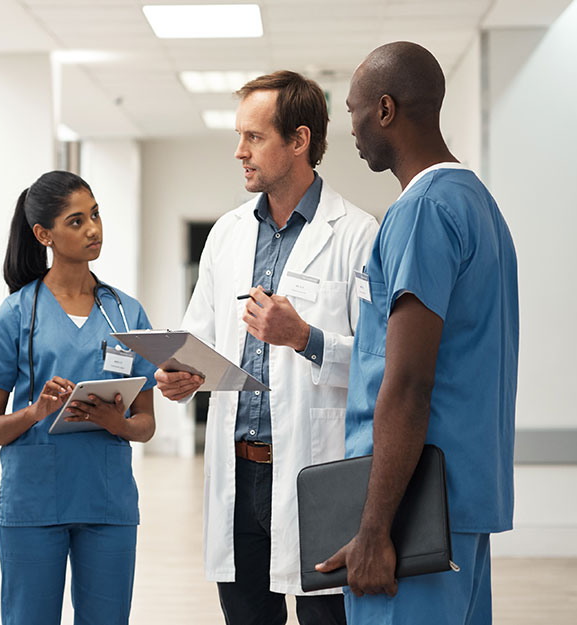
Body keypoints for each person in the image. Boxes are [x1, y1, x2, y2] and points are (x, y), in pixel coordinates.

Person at [154, 71, 379, 625]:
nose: (239, 152)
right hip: (238, 472)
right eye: (240, 136)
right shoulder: (227, 235)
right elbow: (199, 337)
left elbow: (381, 361)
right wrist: (181, 376)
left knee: (327, 618)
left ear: (299, 141)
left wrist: (304, 336)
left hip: (314, 469)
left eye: (253, 137)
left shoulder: (357, 233)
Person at [315, 42, 519, 625]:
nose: (349, 129)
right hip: (461, 503)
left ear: (385, 109)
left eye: (352, 111)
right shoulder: (477, 203)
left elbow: (406, 382)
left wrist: (375, 528)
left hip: (412, 514)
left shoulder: (422, 210)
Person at [0, 171, 158, 625]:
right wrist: (35, 411)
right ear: (44, 235)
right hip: (33, 505)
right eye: (76, 221)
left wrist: (119, 424)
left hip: (106, 503)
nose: (93, 229)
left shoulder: (126, 312)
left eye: (95, 215)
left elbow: (146, 423)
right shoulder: (18, 312)